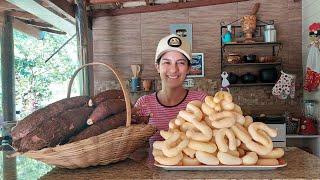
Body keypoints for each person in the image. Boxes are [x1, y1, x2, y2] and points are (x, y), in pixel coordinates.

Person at [134, 34, 207, 146]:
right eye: (167, 62)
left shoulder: (201, 100)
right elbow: (134, 146)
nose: (173, 69)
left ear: (188, 68)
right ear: (157, 67)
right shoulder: (144, 104)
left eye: (181, 63)